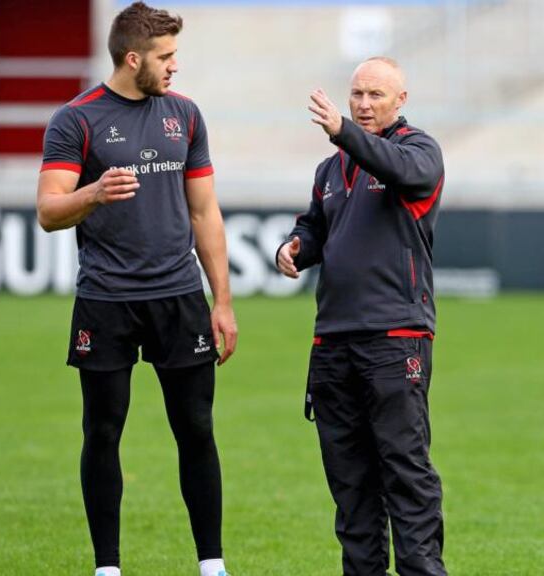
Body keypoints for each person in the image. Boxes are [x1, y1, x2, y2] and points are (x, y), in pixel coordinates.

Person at [36, 3, 237, 576]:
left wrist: (221, 300)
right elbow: (49, 211)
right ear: (133, 58)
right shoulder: (75, 120)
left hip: (179, 297)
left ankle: (212, 565)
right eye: (166, 56)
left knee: (197, 429)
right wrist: (93, 194)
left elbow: (205, 212)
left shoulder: (187, 115)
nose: (175, 66)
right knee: (102, 429)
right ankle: (108, 568)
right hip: (106, 299)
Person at [276, 57, 446, 576]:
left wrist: (343, 132)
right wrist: (296, 247)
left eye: (376, 95)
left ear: (401, 100)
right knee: (349, 484)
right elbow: (317, 227)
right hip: (332, 343)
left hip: (395, 340)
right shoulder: (330, 169)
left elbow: (397, 169)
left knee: (405, 474)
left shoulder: (419, 151)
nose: (364, 104)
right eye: (357, 95)